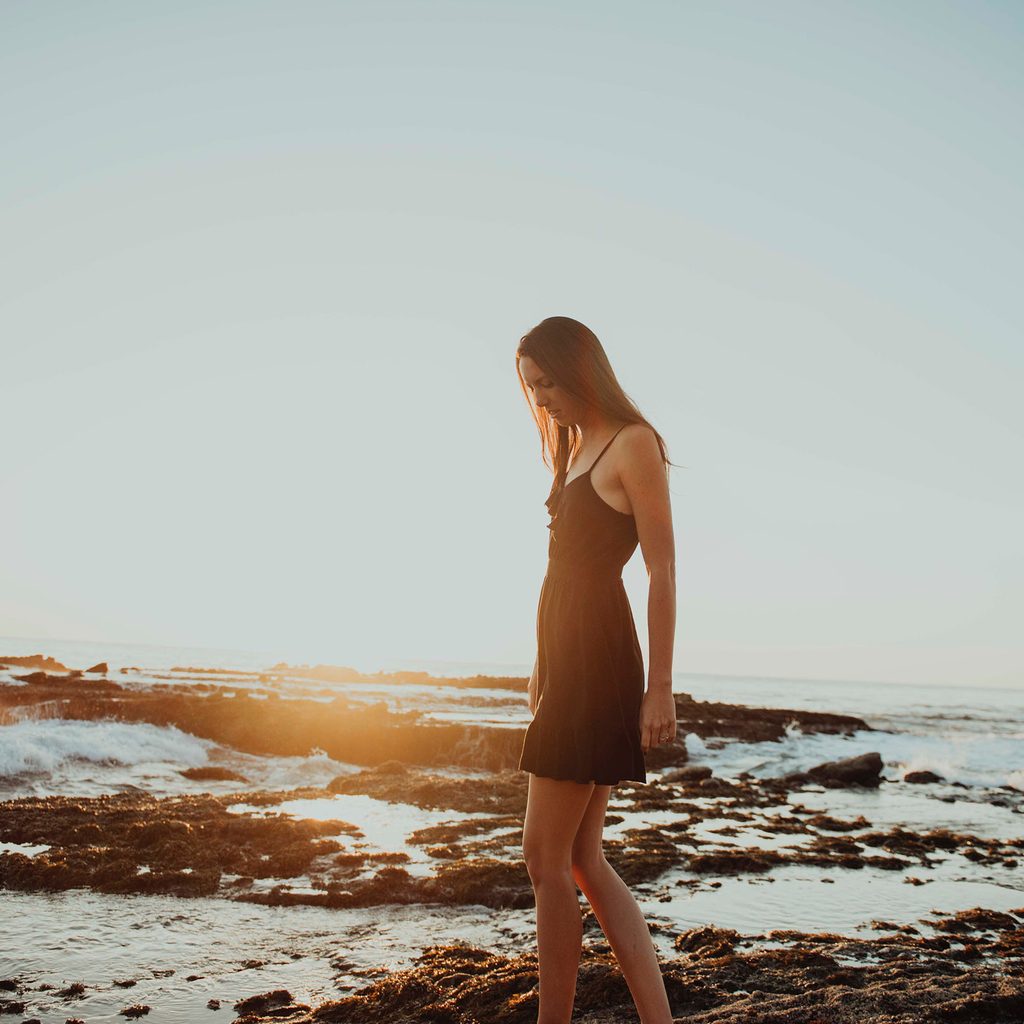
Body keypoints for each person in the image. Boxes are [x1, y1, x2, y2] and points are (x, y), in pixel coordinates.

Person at [515, 316, 677, 1024]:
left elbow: (663, 571)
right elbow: (559, 574)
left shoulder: (631, 443)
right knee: (582, 858)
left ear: (581, 370)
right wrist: (538, 666)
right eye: (531, 388)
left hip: (598, 661)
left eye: (547, 381)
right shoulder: (573, 450)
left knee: (542, 855)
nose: (541, 398)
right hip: (566, 661)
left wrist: (660, 688)